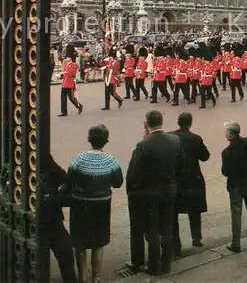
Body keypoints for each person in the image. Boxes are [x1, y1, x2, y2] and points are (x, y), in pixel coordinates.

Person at [126, 110, 184, 276]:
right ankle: (166, 263)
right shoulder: (174, 140)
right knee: (166, 226)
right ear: (162, 122)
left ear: (146, 124)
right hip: (169, 189)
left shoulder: (143, 145)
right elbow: (182, 165)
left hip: (149, 192)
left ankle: (154, 265)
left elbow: (133, 174)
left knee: (151, 229)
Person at [65, 125, 124, 283]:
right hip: (102, 206)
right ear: (106, 141)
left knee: (80, 243)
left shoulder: (79, 159)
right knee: (98, 242)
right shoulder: (111, 160)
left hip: (80, 205)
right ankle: (95, 277)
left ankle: (82, 277)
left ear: (89, 139)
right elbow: (118, 183)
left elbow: (69, 182)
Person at [169, 112, 210, 255]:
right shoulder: (195, 138)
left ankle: (176, 244)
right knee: (195, 211)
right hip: (193, 179)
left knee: (173, 214)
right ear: (190, 123)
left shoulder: (171, 137)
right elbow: (205, 157)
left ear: (178, 122)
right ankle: (196, 238)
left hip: (176, 180)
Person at [42, 154, 77, 283]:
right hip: (30, 224)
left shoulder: (45, 162)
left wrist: (55, 198)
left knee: (66, 255)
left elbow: (65, 180)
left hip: (53, 221)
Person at [221, 122, 247, 253]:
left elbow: (225, 172)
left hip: (236, 186)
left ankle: (236, 243)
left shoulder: (227, 152)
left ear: (229, 134)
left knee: (236, 215)